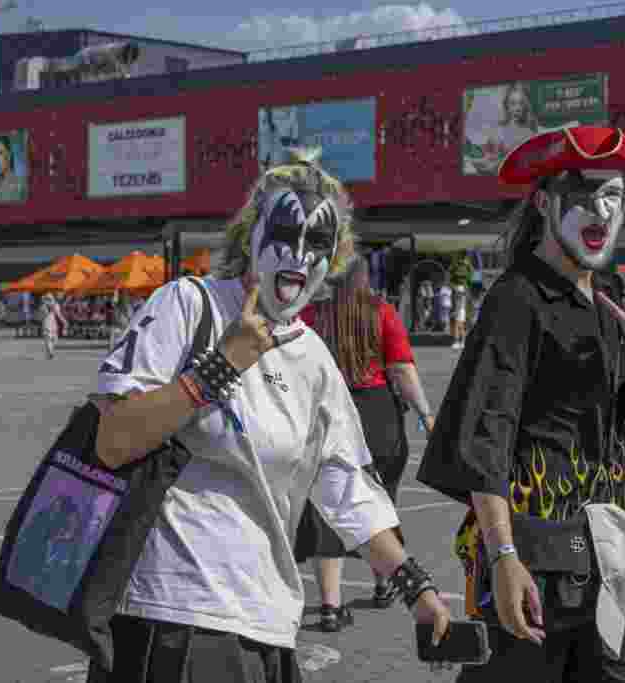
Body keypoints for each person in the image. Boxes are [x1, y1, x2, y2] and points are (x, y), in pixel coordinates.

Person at [85, 148, 449, 683]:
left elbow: (346, 488)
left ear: (334, 260)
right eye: (284, 233)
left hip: (265, 621)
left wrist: (417, 589)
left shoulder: (313, 358)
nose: (298, 255)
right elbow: (111, 438)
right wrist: (221, 365)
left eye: (317, 243)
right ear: (251, 237)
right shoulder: (188, 306)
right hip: (169, 616)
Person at [416, 125, 625, 683]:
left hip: (614, 556)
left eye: (613, 196)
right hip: (537, 557)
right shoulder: (517, 299)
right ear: (545, 202)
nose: (600, 209)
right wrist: (503, 559)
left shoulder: (609, 296)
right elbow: (484, 438)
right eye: (584, 193)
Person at [296, 256, 438, 631]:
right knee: (381, 502)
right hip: (378, 416)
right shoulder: (381, 312)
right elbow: (402, 369)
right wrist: (426, 414)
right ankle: (383, 585)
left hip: (329, 415)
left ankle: (330, 605)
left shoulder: (311, 316)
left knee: (329, 508)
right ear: (363, 278)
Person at [39, 293, 68, 359]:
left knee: (52, 339)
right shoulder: (45, 306)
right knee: (49, 339)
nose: (49, 300)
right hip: (49, 323)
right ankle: (50, 352)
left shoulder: (53, 305)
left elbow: (58, 315)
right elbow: (58, 315)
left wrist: (64, 321)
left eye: (50, 299)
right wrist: (64, 322)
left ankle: (50, 352)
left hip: (51, 323)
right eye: (48, 299)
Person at [451, 284, 468, 349]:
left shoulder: (460, 297)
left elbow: (459, 305)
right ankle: (462, 342)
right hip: (461, 311)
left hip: (460, 311)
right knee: (461, 327)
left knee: (457, 326)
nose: (456, 292)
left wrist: (455, 312)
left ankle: (457, 342)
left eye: (457, 291)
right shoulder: (462, 296)